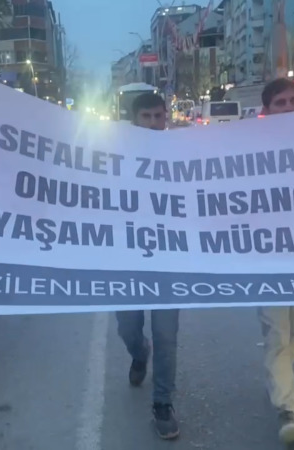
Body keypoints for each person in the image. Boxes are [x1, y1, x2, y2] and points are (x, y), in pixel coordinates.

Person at [116, 92, 179, 440]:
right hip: (127, 259)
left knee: (167, 335)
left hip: (169, 259)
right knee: (128, 327)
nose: (154, 123)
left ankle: (163, 403)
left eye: (159, 116)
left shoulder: (183, 154)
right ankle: (140, 354)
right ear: (134, 120)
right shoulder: (114, 156)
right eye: (147, 117)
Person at [256, 78, 294, 445]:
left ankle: (283, 382)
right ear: (267, 110)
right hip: (266, 258)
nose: (289, 107)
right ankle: (287, 409)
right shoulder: (251, 148)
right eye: (280, 103)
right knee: (277, 333)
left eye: (293, 101)